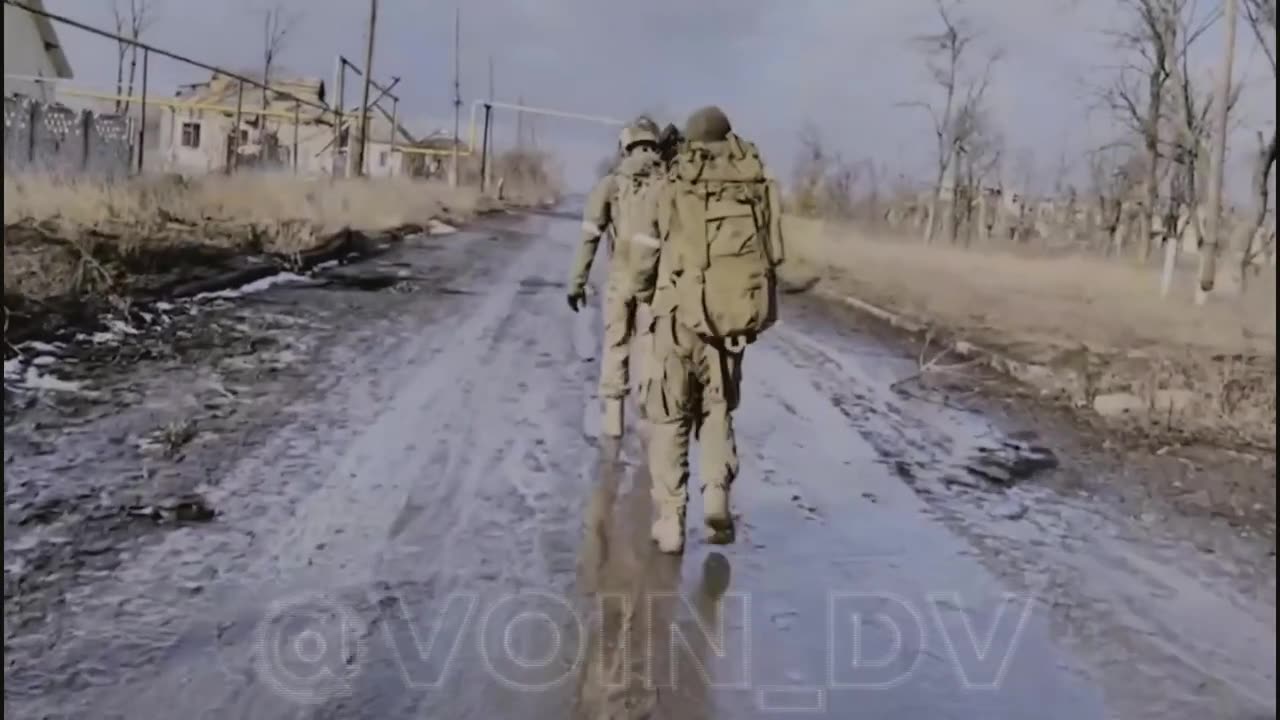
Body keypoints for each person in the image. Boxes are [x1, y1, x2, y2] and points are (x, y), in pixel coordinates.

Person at [644, 106, 785, 554]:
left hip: (676, 315)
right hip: (727, 324)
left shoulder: (675, 180)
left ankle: (670, 520)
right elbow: (775, 252)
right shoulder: (754, 183)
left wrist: (644, 295)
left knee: (669, 415)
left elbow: (646, 252)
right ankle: (717, 499)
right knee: (717, 408)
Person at [567, 116, 666, 438]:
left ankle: (613, 422)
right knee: (652, 347)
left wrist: (577, 282)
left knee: (616, 344)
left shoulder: (611, 183)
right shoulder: (668, 184)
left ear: (626, 147)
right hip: (655, 284)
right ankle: (651, 422)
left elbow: (590, 236)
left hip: (621, 279)